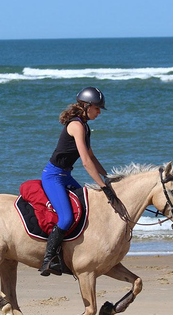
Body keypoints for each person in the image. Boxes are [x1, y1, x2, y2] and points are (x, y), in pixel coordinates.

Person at [39, 87, 119, 276]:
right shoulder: (76, 126)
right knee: (66, 218)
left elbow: (92, 156)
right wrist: (101, 185)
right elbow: (85, 161)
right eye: (97, 109)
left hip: (66, 175)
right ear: (86, 106)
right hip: (53, 177)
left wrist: (108, 177)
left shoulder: (85, 126)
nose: (99, 112)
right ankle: (48, 259)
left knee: (87, 208)